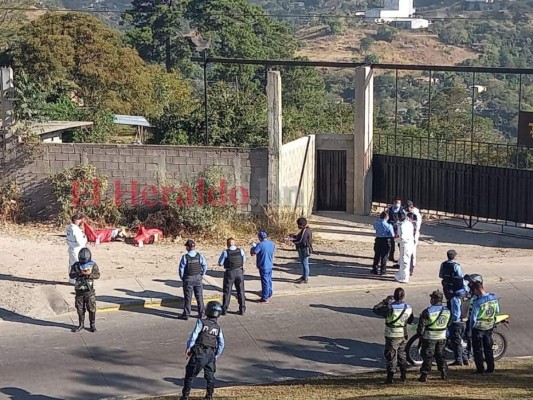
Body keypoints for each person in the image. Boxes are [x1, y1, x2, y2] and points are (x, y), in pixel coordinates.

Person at [180, 301, 225, 400]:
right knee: (210, 377)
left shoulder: (201, 322)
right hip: (211, 354)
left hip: (200, 352)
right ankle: (209, 396)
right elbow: (221, 344)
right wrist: (216, 355)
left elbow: (194, 335)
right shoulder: (218, 328)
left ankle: (185, 396)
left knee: (190, 374)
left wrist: (189, 348)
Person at [372, 287, 414, 384]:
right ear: (403, 296)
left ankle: (390, 379)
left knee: (391, 356)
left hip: (392, 335)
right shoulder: (408, 307)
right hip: (403, 334)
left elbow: (375, 310)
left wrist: (385, 301)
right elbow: (411, 320)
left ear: (394, 297)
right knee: (401, 355)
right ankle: (403, 376)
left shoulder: (390, 307)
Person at [417, 290, 451, 382]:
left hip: (429, 337)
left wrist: (420, 336)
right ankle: (444, 372)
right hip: (442, 337)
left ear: (433, 299)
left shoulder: (427, 311)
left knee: (428, 357)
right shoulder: (447, 311)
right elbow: (449, 323)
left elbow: (421, 327)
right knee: (440, 355)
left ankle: (424, 374)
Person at [470, 281, 500, 374]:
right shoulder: (493, 298)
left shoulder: (477, 302)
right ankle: (491, 368)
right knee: (488, 348)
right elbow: (497, 310)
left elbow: (473, 318)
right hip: (489, 326)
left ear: (476, 290)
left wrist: (471, 328)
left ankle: (480, 369)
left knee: (478, 349)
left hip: (479, 328)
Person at [69, 247, 100, 333]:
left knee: (91, 308)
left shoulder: (93, 264)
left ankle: (92, 325)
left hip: (89, 291)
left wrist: (89, 274)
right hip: (79, 291)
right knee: (80, 309)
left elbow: (97, 275)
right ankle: (81, 324)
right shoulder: (76, 265)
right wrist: (79, 273)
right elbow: (71, 275)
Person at [178, 239, 207, 320]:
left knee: (188, 297)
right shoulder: (200, 256)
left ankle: (186, 314)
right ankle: (202, 314)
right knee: (199, 296)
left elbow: (181, 269)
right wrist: (202, 274)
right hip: (198, 278)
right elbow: (205, 266)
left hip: (188, 278)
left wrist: (182, 277)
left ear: (188, 247)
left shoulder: (185, 257)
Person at [218, 238, 246, 316]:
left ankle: (224, 309)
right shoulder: (241, 251)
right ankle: (242, 309)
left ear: (227, 244)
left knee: (227, 291)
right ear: (234, 243)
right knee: (241, 291)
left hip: (230, 273)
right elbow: (244, 260)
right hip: (239, 272)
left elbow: (220, 263)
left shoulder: (225, 252)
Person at [250, 231, 275, 303]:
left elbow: (253, 253)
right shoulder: (272, 244)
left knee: (265, 281)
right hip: (270, 264)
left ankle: (265, 297)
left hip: (263, 265)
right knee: (269, 279)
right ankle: (269, 292)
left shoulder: (260, 245)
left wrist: (253, 247)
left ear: (260, 238)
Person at [448, 285, 470, 366]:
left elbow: (456, 314)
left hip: (457, 323)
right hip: (464, 322)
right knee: (461, 341)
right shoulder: (466, 296)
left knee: (456, 342)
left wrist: (450, 322)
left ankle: (458, 360)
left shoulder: (455, 299)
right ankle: (465, 359)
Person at [287, 217, 313, 283]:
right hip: (303, 249)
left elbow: (301, 241)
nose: (298, 226)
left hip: (304, 249)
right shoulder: (306, 229)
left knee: (305, 264)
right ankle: (304, 276)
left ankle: (305, 278)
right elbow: (299, 237)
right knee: (303, 263)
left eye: (298, 225)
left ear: (301, 225)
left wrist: (293, 241)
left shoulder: (305, 231)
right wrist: (293, 236)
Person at [66, 213, 87, 284]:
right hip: (77, 249)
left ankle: (72, 279)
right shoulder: (76, 229)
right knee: (77, 265)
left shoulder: (69, 227)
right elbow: (80, 242)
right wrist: (84, 238)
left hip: (72, 248)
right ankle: (75, 280)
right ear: (77, 220)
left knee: (72, 264)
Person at [372, 211, 395, 275]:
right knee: (384, 256)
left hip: (378, 239)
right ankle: (383, 270)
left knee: (377, 255)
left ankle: (375, 269)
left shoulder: (376, 223)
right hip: (386, 240)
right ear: (386, 217)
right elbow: (392, 235)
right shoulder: (388, 226)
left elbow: (374, 227)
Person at [394, 212, 414, 284]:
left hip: (405, 245)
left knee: (405, 261)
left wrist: (396, 239)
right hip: (408, 244)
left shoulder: (402, 226)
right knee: (403, 260)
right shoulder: (408, 223)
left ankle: (404, 277)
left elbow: (402, 238)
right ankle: (401, 274)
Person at [406, 200, 422, 276]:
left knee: (412, 252)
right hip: (407, 236)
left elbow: (417, 226)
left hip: (413, 236)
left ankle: (411, 267)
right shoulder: (406, 212)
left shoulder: (416, 214)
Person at [387, 198, 406, 262]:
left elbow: (404, 218)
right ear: (394, 203)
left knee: (400, 244)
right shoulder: (390, 209)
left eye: (399, 203)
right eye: (396, 203)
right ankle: (390, 256)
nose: (397, 205)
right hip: (391, 228)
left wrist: (399, 222)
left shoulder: (402, 210)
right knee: (391, 243)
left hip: (399, 229)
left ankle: (401, 258)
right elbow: (387, 218)